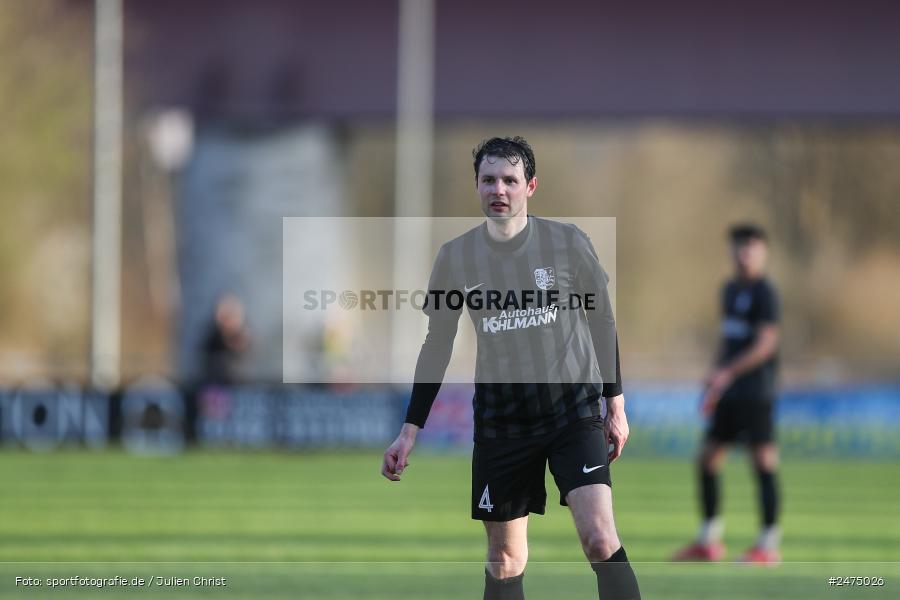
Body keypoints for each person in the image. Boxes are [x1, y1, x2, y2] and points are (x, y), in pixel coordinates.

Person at [381, 137, 641, 600]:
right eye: (488, 180)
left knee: (600, 539)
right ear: (477, 186)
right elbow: (437, 343)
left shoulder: (568, 243)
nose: (498, 189)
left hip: (572, 411)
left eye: (510, 180)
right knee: (505, 560)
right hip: (503, 422)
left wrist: (614, 402)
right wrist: (409, 428)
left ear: (530, 187)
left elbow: (601, 319)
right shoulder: (455, 258)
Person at [673, 224, 782, 565]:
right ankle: (708, 540)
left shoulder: (766, 292)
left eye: (750, 246)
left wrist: (728, 371)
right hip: (730, 391)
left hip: (756, 391)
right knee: (707, 458)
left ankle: (767, 545)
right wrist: (714, 374)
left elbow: (765, 345)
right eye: (738, 246)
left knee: (763, 461)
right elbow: (728, 338)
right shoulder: (729, 289)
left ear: (762, 251)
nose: (743, 252)